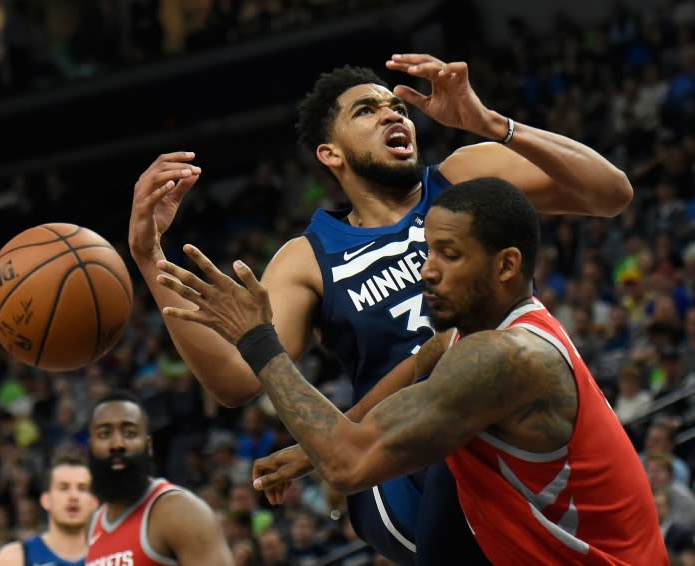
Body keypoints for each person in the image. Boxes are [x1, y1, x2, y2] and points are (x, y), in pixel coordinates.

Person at [128, 53, 633, 564]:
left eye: (397, 106)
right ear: (331, 154)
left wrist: (490, 124)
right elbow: (235, 379)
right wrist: (151, 259)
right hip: (396, 465)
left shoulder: (461, 180)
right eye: (367, 111)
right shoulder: (309, 256)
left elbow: (610, 193)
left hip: (499, 416)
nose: (394, 115)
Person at [155, 177, 667, 565]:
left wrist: (257, 338)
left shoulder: (505, 359)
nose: (427, 270)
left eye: (449, 254)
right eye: (427, 251)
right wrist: (317, 444)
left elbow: (349, 467)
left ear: (507, 266)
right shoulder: (477, 334)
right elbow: (423, 358)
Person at [85, 389, 233, 566]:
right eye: (104, 434)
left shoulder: (180, 511)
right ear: (91, 447)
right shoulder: (92, 525)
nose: (117, 444)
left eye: (130, 433)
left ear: (148, 446)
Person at [0, 455, 97, 566]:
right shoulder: (14, 557)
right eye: (63, 488)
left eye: (82, 488)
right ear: (46, 500)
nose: (74, 496)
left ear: (94, 502)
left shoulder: (110, 557)